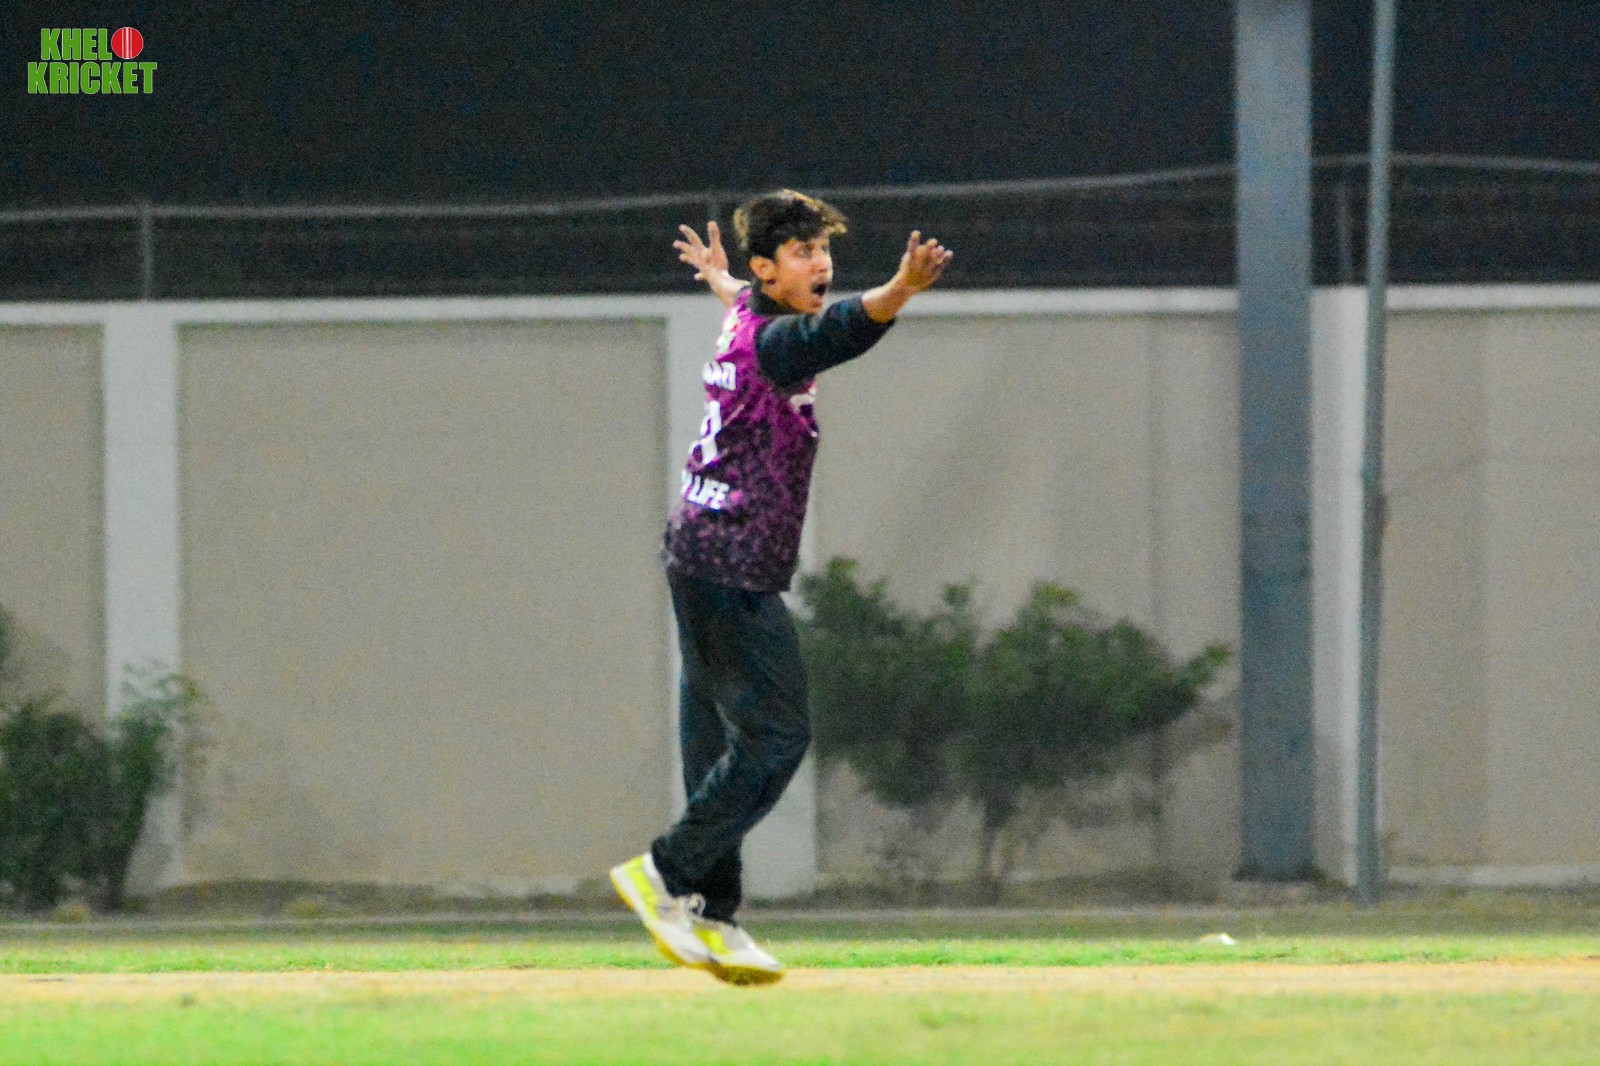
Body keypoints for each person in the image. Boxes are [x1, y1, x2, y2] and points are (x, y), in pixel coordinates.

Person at [610, 189, 953, 985]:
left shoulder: (746, 314)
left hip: (699, 551)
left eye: (823, 249)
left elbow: (747, 300)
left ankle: (711, 914)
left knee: (716, 745)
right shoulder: (779, 342)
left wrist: (718, 278)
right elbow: (840, 328)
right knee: (776, 738)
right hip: (730, 565)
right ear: (770, 269)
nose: (821, 263)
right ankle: (664, 873)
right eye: (802, 253)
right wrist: (900, 289)